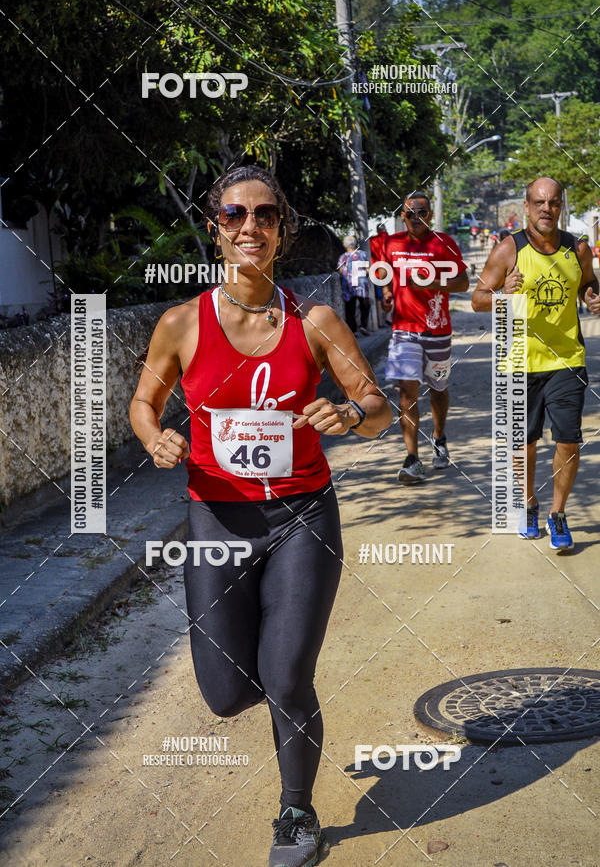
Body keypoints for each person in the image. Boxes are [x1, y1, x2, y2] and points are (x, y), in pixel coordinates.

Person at [129, 165, 392, 867]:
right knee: (222, 695)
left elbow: (378, 407)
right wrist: (155, 438)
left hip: (301, 516)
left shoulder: (316, 322)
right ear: (215, 226)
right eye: (237, 214)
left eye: (266, 215)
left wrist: (347, 414)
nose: (252, 226)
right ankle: (272, 701)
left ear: (283, 228)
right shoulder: (181, 323)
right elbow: (142, 403)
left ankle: (296, 811)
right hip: (214, 522)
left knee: (286, 676)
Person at [472, 176, 600, 551]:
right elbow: (477, 298)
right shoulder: (508, 249)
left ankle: (558, 514)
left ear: (562, 207)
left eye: (554, 202)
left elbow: (588, 285)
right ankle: (528, 503)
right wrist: (502, 293)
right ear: (526, 207)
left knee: (568, 440)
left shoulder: (579, 249)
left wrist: (593, 298)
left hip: (567, 360)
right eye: (539, 203)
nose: (547, 209)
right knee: (524, 444)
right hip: (518, 363)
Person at [381, 191, 469, 482]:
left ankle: (439, 437)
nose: (415, 218)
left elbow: (463, 282)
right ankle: (412, 459)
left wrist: (433, 282)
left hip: (437, 330)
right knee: (406, 394)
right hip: (404, 331)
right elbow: (387, 277)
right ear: (402, 216)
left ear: (429, 215)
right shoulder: (392, 244)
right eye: (409, 214)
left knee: (438, 388)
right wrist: (387, 295)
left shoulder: (444, 243)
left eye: (420, 212)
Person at [338, 233, 371, 334]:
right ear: (355, 244)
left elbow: (340, 271)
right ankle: (363, 326)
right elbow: (368, 270)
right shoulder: (362, 254)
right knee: (365, 305)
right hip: (361, 284)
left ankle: (353, 330)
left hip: (349, 285)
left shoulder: (343, 257)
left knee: (350, 308)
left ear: (345, 245)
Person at [370, 223, 390, 326]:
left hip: (376, 272)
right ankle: (388, 317)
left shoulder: (371, 240)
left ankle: (379, 321)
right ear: (385, 229)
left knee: (378, 297)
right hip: (389, 271)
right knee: (390, 295)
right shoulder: (391, 239)